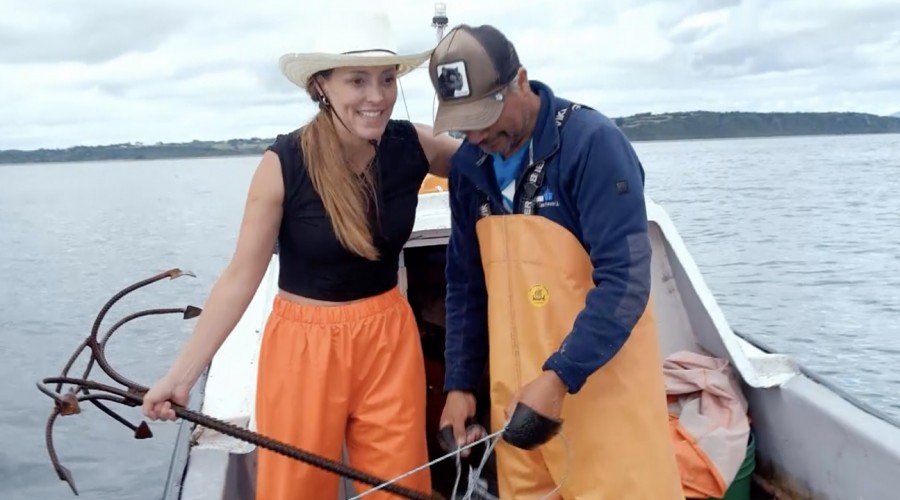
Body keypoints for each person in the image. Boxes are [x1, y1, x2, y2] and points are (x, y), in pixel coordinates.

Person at [141, 11, 461, 500]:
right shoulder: (283, 164)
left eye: (387, 79)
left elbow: (487, 160)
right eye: (357, 80)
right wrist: (180, 377)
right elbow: (239, 278)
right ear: (321, 86)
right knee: (295, 489)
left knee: (400, 488)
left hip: (389, 340)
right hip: (303, 348)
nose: (376, 96)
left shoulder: (412, 144)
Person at [429, 24, 685, 499]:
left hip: (600, 402)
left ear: (520, 80)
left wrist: (559, 377)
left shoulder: (592, 145)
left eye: (486, 114)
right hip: (517, 412)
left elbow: (625, 282)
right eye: (464, 123)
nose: (479, 133)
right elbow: (465, 284)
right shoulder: (469, 168)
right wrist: (460, 385)